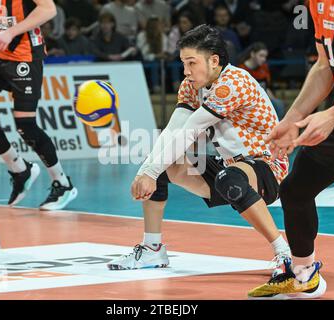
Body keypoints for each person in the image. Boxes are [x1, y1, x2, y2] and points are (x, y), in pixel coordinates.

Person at [107, 25, 291, 273]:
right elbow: (173, 130)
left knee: (226, 177)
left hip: (268, 167)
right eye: (183, 63)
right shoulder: (191, 86)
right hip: (230, 165)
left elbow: (192, 128)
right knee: (165, 164)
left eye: (192, 63)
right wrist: (146, 171)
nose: (186, 71)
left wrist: (148, 173)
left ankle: (284, 252)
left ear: (214, 60)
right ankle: (152, 249)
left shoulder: (233, 83)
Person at [248, 0, 334, 299]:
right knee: (295, 190)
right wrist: (292, 119)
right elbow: (323, 67)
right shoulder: (318, 4)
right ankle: (304, 274)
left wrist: (331, 115)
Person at [0, 0, 78, 210]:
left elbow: (48, 9)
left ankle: (63, 184)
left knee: (25, 125)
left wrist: (11, 32)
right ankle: (20, 169)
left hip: (25, 59)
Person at [238, 42, 286, 119]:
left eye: (265, 57)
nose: (264, 59)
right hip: (248, 101)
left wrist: (274, 100)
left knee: (279, 104)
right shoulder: (241, 69)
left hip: (263, 98)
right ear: (253, 54)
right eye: (261, 56)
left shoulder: (264, 67)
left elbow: (266, 87)